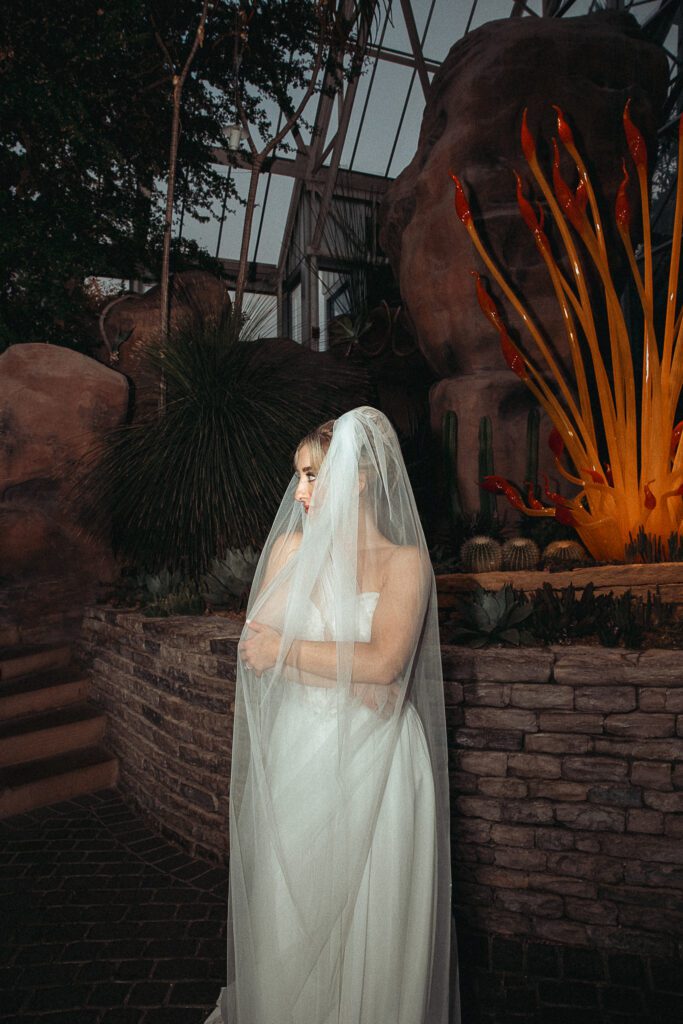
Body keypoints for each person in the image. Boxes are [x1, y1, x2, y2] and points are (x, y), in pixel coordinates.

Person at [204, 406, 457, 1024]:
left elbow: (386, 663)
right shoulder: (292, 549)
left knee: (374, 904)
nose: (299, 492)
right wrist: (350, 670)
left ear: (358, 479)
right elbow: (257, 650)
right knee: (298, 905)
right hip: (304, 749)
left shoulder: (405, 563)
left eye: (312, 476)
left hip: (381, 758)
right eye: (299, 476)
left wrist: (304, 657)